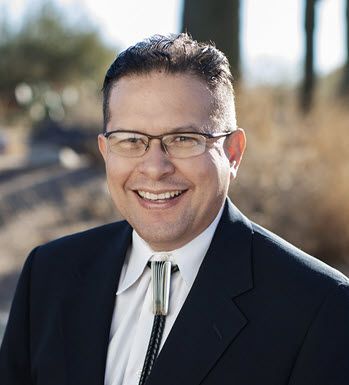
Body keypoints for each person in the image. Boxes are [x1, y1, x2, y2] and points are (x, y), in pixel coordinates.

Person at [0, 33, 349, 385]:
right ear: (105, 151)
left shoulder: (319, 307)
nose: (154, 168)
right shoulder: (48, 274)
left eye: (184, 139)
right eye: (131, 140)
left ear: (233, 153)